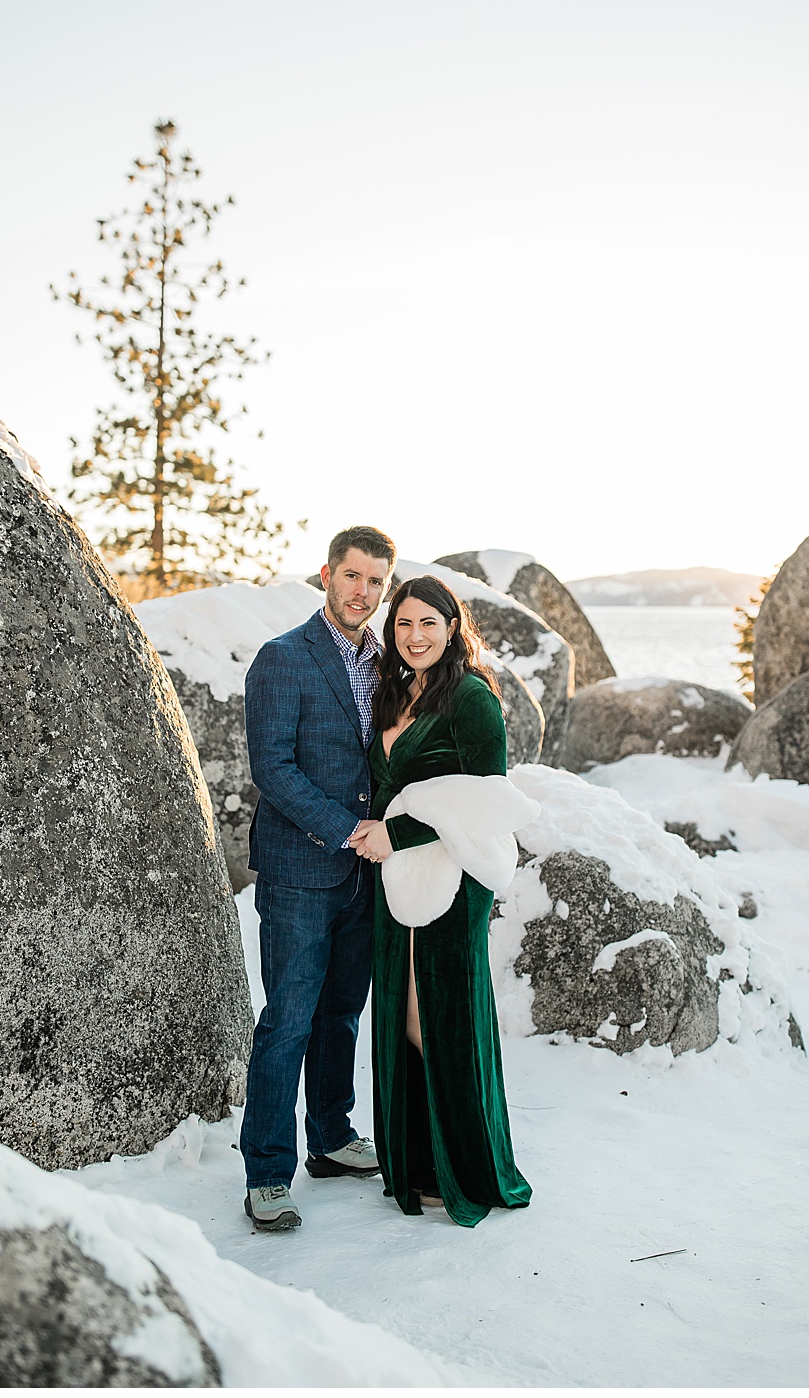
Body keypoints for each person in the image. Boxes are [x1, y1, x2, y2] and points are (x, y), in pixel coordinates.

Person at [351, 574, 533, 1227]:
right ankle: (420, 1159)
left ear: (453, 627)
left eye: (429, 622)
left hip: (454, 878)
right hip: (398, 876)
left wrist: (394, 834)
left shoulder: (472, 698)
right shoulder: (393, 693)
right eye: (403, 623)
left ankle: (468, 1169)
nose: (415, 635)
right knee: (401, 1015)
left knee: (442, 1016)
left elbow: (486, 798)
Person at [239, 525, 397, 1233]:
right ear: (326, 575)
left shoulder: (388, 663)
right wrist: (347, 830)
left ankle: (331, 1140)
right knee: (288, 1022)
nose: (363, 591)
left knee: (341, 1016)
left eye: (376, 581)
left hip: (366, 877)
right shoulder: (282, 659)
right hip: (302, 871)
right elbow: (274, 770)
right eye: (352, 576)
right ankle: (268, 1173)